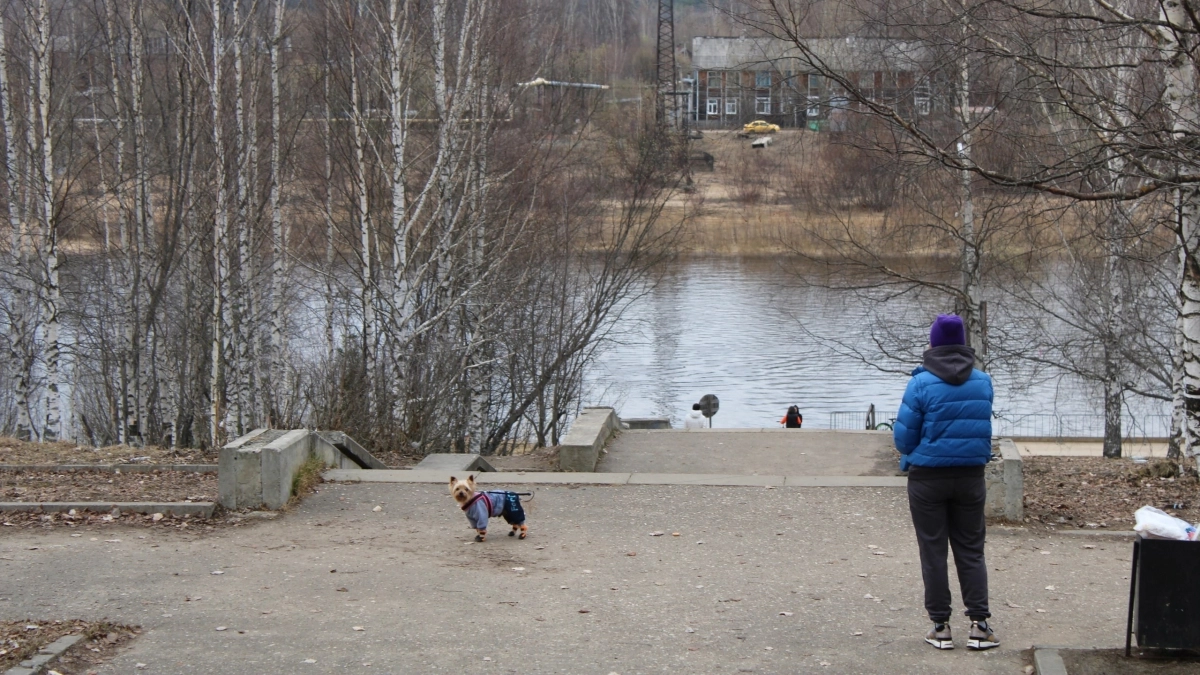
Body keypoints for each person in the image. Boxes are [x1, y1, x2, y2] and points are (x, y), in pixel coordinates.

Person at [893, 314, 998, 651]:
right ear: (964, 343)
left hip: (928, 479)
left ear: (933, 343)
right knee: (971, 550)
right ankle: (980, 626)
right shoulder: (983, 381)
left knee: (933, 550)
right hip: (970, 477)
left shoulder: (920, 384)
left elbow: (903, 439)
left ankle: (940, 627)